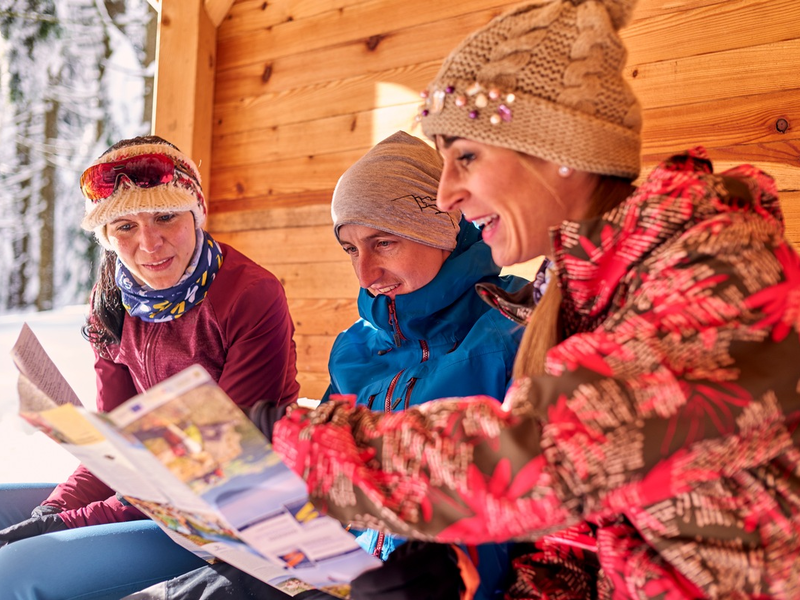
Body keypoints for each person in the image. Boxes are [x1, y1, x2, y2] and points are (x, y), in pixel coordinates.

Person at [271, 0, 800, 597]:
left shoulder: (718, 268)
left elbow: (554, 454)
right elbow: (580, 537)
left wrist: (300, 450)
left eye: (466, 157)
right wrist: (457, 575)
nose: (447, 196)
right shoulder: (570, 298)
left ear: (563, 152)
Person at [122, 131, 534, 600]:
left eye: (384, 243)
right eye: (351, 249)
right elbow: (326, 484)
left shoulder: (511, 334)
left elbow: (538, 499)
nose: (365, 274)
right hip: (333, 577)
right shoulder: (356, 348)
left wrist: (456, 570)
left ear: (441, 229)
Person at [0, 135, 301, 600]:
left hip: (229, 517)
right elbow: (115, 447)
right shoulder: (111, 302)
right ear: (105, 237)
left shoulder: (249, 295)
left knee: (17, 569)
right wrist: (53, 511)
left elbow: (218, 468)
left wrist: (71, 521)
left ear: (196, 214)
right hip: (149, 492)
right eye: (124, 226)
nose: (149, 243)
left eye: (165, 217)